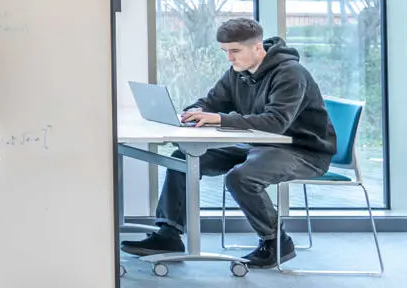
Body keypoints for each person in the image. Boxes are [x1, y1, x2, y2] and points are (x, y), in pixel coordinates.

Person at [120, 18, 336, 269]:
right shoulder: (238, 73)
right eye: (225, 52)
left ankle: (276, 243)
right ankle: (168, 235)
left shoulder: (290, 74)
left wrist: (221, 118)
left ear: (257, 48)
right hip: (259, 145)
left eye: (235, 51)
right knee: (184, 158)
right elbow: (211, 102)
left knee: (241, 177)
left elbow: (276, 122)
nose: (230, 58)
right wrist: (191, 113)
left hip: (303, 151)